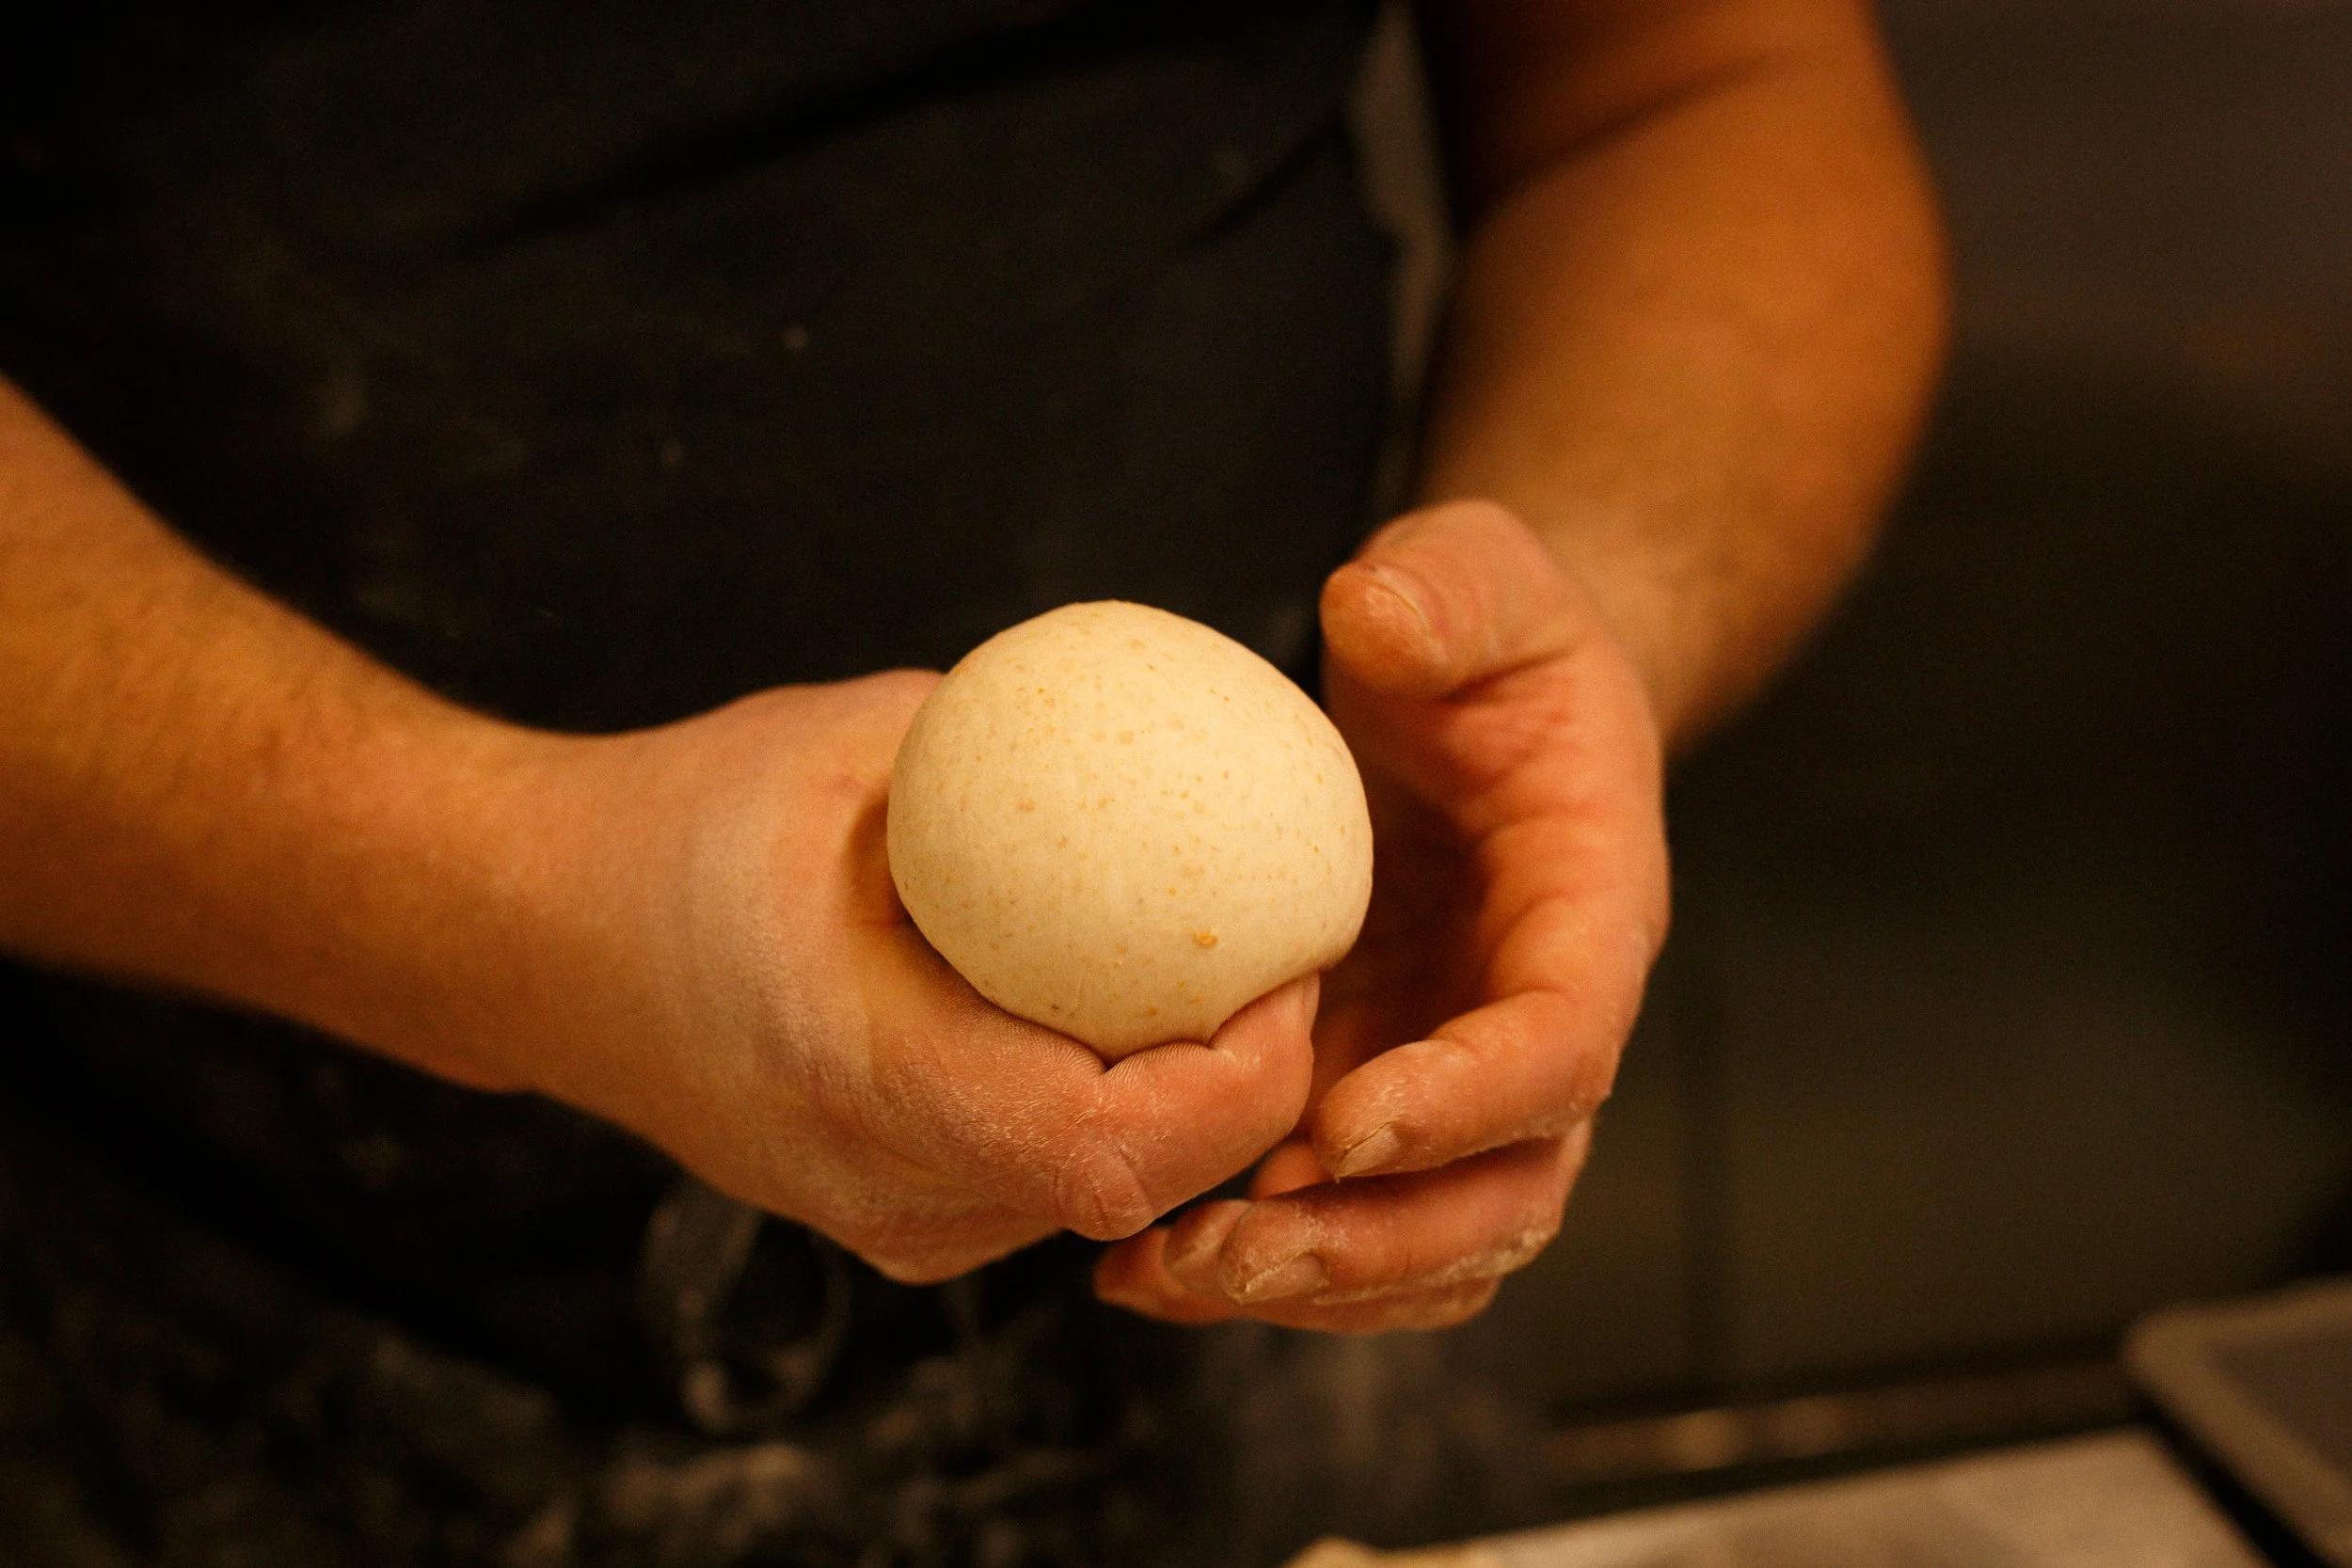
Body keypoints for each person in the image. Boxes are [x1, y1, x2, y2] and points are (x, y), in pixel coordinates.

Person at [0, 0, 1947, 1560]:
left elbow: (1692, 91)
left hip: (1265, 1231)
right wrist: (478, 888)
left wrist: (1557, 622)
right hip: (177, 1288)